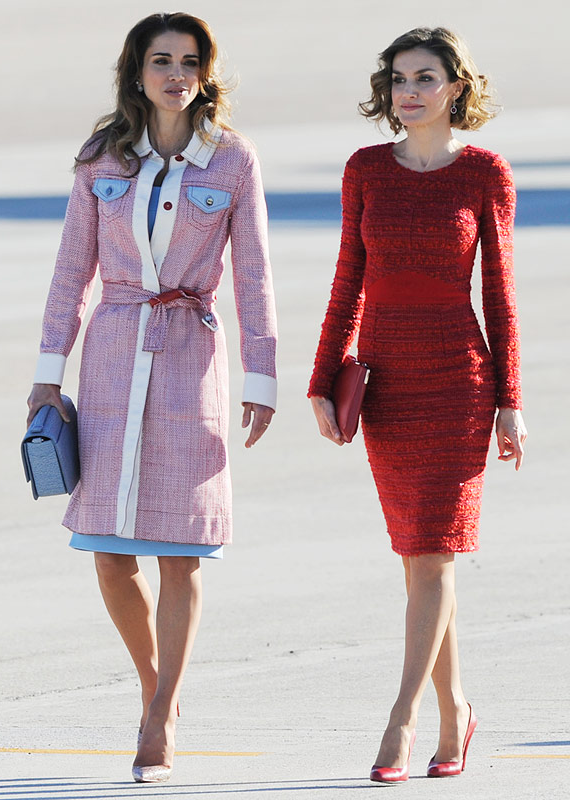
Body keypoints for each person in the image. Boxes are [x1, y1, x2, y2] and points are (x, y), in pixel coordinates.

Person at [27, 12, 277, 783]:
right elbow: (73, 271)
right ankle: (151, 685)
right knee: (106, 552)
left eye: (190, 61)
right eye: (161, 60)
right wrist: (47, 372)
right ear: (136, 71)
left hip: (189, 358)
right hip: (109, 355)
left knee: (180, 551)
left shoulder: (232, 159)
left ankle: (162, 714)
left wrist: (260, 379)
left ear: (206, 72)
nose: (176, 74)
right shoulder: (101, 157)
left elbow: (255, 277)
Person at [308, 27, 527, 783]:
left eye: (426, 77)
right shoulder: (366, 169)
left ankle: (399, 722)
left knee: (432, 555)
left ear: (456, 88)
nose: (409, 91)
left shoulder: (484, 173)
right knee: (419, 563)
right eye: (399, 78)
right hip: (385, 383)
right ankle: (456, 712)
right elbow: (347, 280)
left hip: (458, 381)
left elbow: (499, 295)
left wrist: (511, 400)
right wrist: (322, 377)